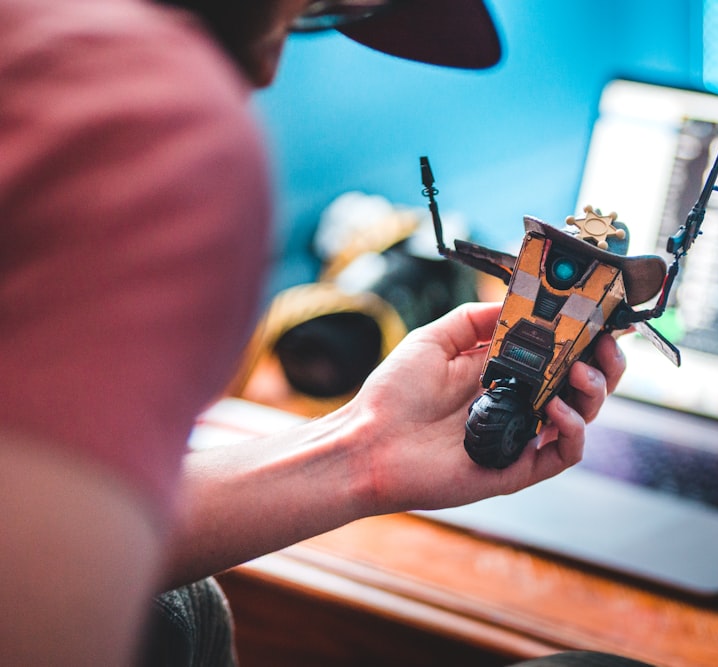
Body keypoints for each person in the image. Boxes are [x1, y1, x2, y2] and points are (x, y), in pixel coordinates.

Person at [0, 0, 648, 665]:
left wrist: (364, 448)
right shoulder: (148, 118)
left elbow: (46, 542)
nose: (266, 69)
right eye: (322, 6)